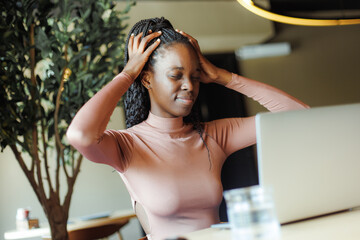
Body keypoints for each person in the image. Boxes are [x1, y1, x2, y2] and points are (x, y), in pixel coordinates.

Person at [66, 17, 309, 240]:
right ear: (147, 78)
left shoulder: (214, 136)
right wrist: (129, 72)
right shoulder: (126, 145)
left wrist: (223, 77)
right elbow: (80, 135)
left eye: (194, 76)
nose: (189, 86)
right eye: (176, 75)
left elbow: (301, 118)